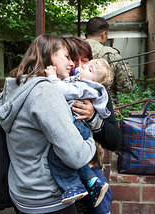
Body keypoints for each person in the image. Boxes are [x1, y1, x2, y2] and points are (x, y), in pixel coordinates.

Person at [0, 34, 97, 214]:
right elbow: (76, 156)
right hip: (48, 199)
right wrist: (90, 141)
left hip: (22, 193)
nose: (73, 63)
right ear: (49, 55)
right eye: (67, 57)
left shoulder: (16, 86)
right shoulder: (45, 92)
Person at [44, 58, 113, 207]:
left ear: (95, 81)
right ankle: (93, 182)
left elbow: (62, 90)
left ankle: (72, 187)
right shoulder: (81, 83)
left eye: (89, 69)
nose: (82, 67)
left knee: (56, 155)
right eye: (85, 65)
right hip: (77, 126)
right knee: (74, 157)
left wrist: (51, 76)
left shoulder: (87, 87)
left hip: (77, 126)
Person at [67, 37, 122, 214]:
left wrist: (94, 118)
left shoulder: (97, 92)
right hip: (59, 175)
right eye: (74, 60)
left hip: (89, 166)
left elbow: (115, 141)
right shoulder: (55, 85)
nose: (79, 65)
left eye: (85, 61)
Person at [85, 17, 135, 106]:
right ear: (103, 34)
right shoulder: (110, 54)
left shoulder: (74, 49)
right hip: (106, 109)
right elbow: (126, 86)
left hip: (77, 108)